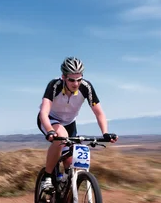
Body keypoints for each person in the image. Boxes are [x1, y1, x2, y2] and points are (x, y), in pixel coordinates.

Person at [37, 56, 118, 193]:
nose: (76, 83)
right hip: (50, 120)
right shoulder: (54, 86)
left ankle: (67, 196)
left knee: (71, 162)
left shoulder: (86, 87)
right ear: (63, 77)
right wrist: (51, 130)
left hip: (69, 123)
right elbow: (44, 112)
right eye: (72, 80)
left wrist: (105, 133)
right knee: (61, 137)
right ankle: (47, 177)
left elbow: (99, 113)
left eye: (79, 79)